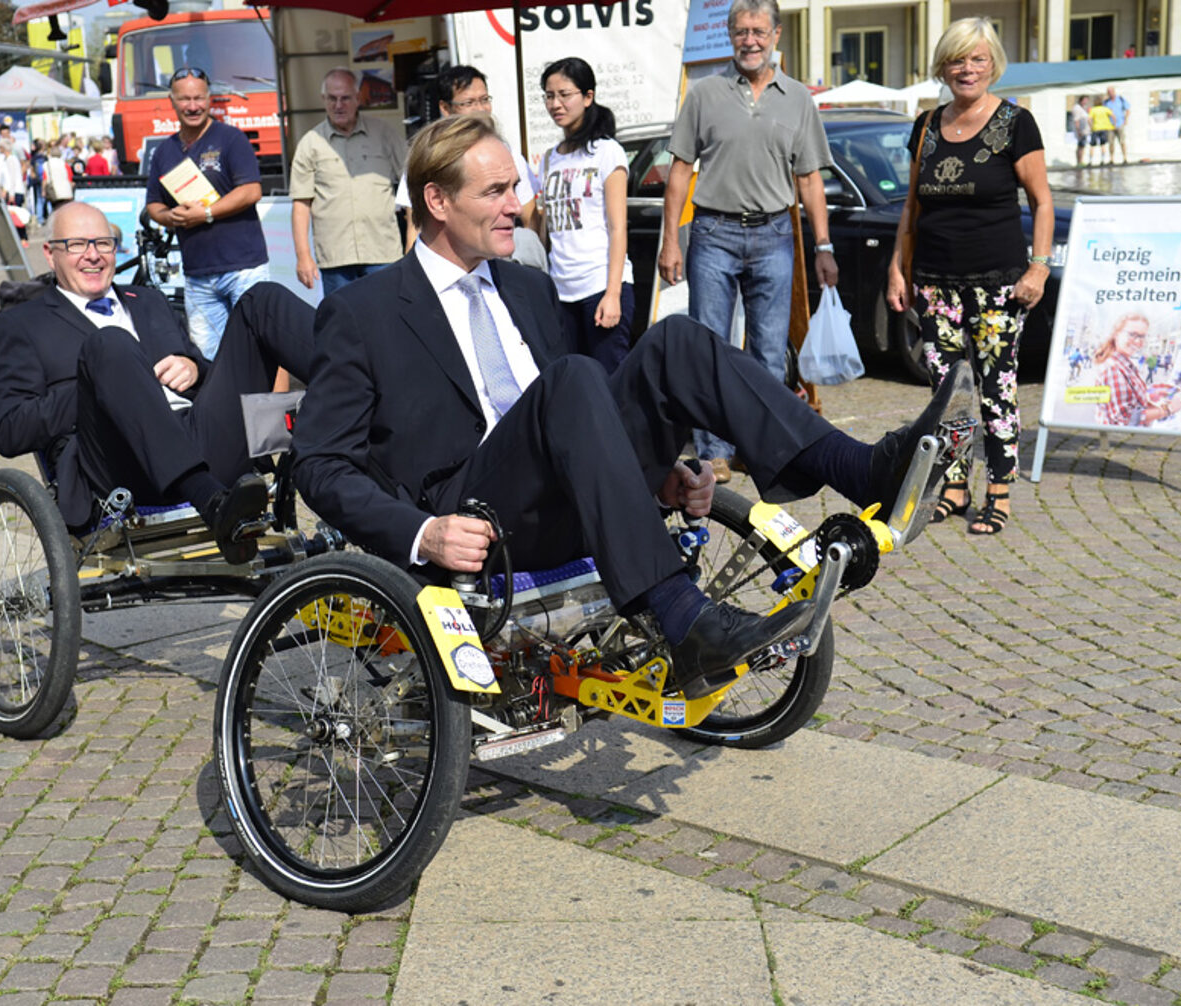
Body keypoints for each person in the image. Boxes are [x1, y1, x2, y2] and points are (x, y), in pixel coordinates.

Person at [291, 114, 975, 700]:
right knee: (574, 377)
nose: (517, 204)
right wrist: (422, 533)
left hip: (567, 504)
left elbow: (575, 428)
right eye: (496, 191)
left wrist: (656, 474)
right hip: (475, 522)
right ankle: (682, 615)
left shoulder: (527, 288)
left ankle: (862, 469)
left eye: (515, 186)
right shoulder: (363, 313)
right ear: (437, 201)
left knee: (674, 340)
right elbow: (319, 464)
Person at [0, 201, 314, 563]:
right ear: (51, 254)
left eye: (104, 243)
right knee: (109, 344)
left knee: (261, 301)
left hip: (203, 438)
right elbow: (9, 429)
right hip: (121, 469)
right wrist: (94, 388)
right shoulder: (21, 324)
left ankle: (364, 392)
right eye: (77, 245)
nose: (93, 256)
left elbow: (205, 379)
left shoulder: (149, 301)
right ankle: (211, 502)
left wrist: (195, 368)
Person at [657, 0, 840, 483]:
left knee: (768, 352)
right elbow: (679, 172)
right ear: (730, 35)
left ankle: (760, 448)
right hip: (712, 233)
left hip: (775, 234)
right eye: (741, 31)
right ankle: (714, 450)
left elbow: (810, 180)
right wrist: (670, 242)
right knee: (709, 349)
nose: (750, 40)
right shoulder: (704, 94)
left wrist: (824, 247)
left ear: (777, 35)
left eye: (759, 31)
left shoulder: (798, 97)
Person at [885, 17, 1053, 538]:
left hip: (998, 283)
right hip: (935, 284)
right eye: (958, 59)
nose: (968, 69)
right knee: (947, 391)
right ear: (944, 66)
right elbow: (912, 206)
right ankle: (954, 487)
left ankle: (998, 491)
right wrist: (898, 267)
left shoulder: (1015, 122)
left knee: (997, 389)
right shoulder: (927, 125)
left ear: (992, 65)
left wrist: (1039, 267)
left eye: (978, 59)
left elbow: (1043, 202)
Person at [145, 67, 271, 361]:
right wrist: (170, 217)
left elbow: (251, 191)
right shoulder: (164, 152)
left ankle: (276, 408)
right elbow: (153, 204)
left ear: (209, 98)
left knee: (262, 346)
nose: (193, 106)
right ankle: (224, 409)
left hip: (243, 269)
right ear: (172, 101)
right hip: (198, 276)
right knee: (209, 359)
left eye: (199, 98)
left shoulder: (231, 139)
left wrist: (208, 214)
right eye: (185, 99)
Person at [537, 57, 633, 370]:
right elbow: (547, 229)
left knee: (609, 384)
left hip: (599, 285)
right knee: (574, 382)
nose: (556, 104)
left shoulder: (607, 151)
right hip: (562, 292)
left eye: (565, 94)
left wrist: (613, 293)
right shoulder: (550, 158)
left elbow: (618, 227)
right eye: (550, 96)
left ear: (588, 97)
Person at [396, 64, 541, 259]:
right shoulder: (424, 161)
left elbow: (529, 219)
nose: (480, 109)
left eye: (484, 100)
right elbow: (414, 229)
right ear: (445, 108)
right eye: (469, 102)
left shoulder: (508, 156)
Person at [289, 68, 407, 297]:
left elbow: (410, 186)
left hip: (382, 252)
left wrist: (412, 241)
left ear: (358, 99)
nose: (338, 105)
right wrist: (303, 256)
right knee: (343, 327)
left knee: (387, 324)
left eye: (345, 98)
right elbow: (301, 205)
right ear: (323, 100)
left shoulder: (384, 134)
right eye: (332, 98)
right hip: (336, 258)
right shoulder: (310, 143)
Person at [1091, 314, 1181, 427]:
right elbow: (1125, 419)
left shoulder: (1124, 363)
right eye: (1132, 335)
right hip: (1122, 440)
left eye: (1142, 336)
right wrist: (1168, 409)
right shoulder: (1113, 368)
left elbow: (1130, 401)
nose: (1138, 341)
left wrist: (1152, 398)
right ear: (1116, 334)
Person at [1104, 85, 1131, 164]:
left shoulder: (1120, 99)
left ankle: (1125, 158)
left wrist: (1126, 119)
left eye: (1112, 91)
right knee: (1111, 142)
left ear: (1114, 92)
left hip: (1120, 123)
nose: (1110, 93)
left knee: (1122, 141)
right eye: (1109, 92)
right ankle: (1111, 159)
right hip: (1110, 125)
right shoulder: (1106, 102)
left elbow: (1128, 109)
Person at [1088, 98, 1114, 166]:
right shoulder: (1105, 108)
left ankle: (1090, 161)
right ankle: (1102, 160)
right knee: (1103, 145)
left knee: (1092, 145)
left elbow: (1089, 119)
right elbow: (1113, 116)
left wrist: (1091, 126)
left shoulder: (1093, 109)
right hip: (1104, 128)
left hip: (1095, 128)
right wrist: (1114, 124)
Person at [1071, 95, 1092, 166]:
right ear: (1081, 100)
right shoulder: (1077, 108)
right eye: (1084, 100)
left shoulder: (1083, 108)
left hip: (1084, 130)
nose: (1086, 102)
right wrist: (1078, 130)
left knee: (1082, 146)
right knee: (1080, 146)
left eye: (1087, 100)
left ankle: (1080, 161)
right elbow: (1076, 120)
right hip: (1081, 130)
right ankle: (1079, 162)